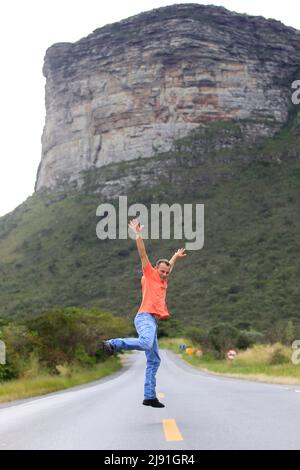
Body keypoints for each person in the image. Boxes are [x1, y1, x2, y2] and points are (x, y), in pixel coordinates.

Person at [102, 218, 187, 408]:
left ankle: (149, 396)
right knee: (146, 342)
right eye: (162, 271)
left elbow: (169, 267)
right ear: (155, 269)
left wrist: (175, 257)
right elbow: (142, 254)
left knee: (154, 360)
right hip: (144, 318)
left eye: (167, 272)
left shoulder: (164, 280)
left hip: (152, 322)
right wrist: (138, 234)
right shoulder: (150, 274)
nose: (165, 274)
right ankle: (113, 344)